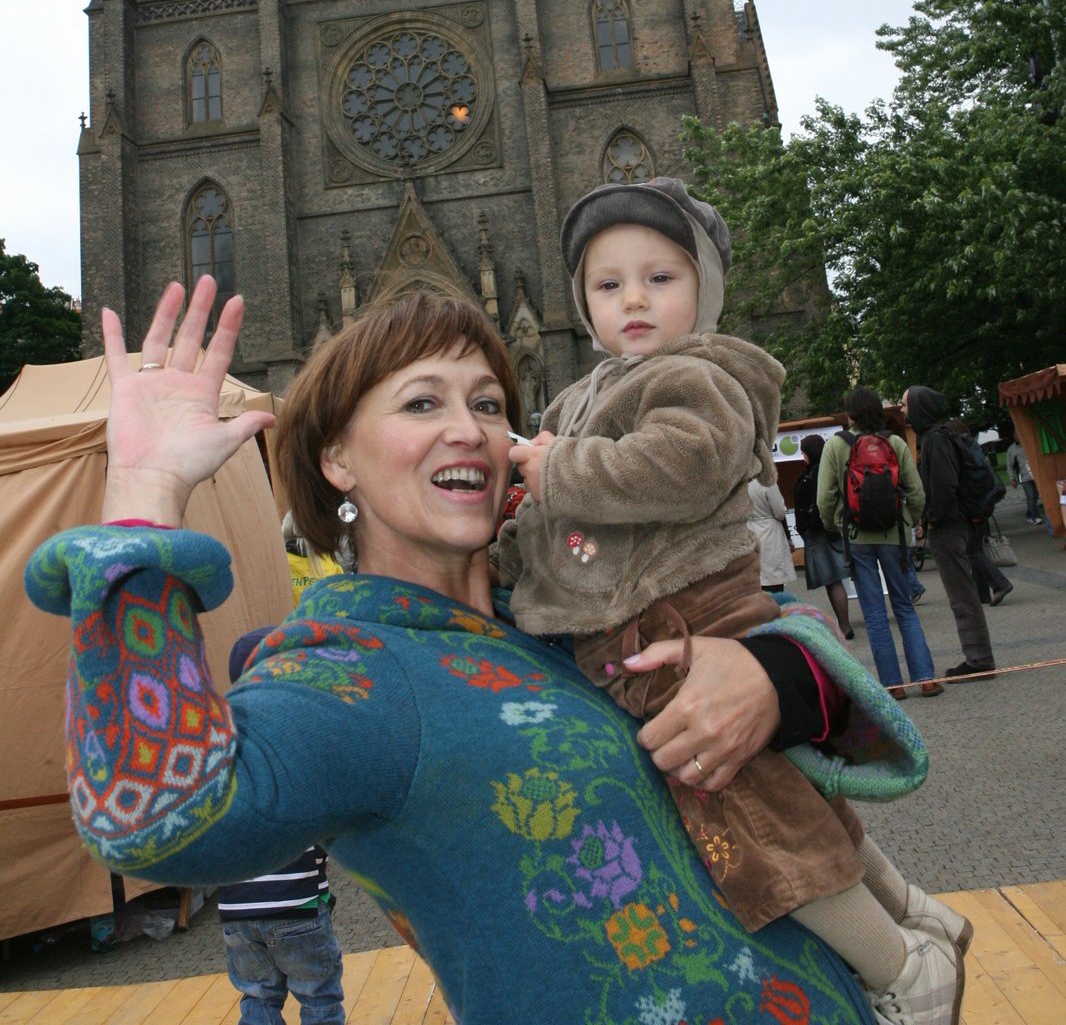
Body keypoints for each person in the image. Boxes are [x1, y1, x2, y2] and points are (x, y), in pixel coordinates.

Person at [26, 276, 924, 1025]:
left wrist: (768, 677)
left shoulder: (560, 607)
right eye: (423, 402)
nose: (471, 429)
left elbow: (833, 694)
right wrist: (144, 493)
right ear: (337, 458)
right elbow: (149, 817)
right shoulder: (352, 670)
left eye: (489, 404)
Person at [497, 179, 966, 1023]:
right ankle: (913, 912)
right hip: (648, 628)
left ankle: (903, 972)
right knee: (789, 795)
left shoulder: (696, 377)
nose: (633, 299)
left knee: (750, 829)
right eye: (608, 286)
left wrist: (556, 469)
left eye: (661, 279)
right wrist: (518, 530)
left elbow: (680, 466)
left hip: (685, 624)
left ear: (705, 293)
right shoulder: (580, 397)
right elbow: (558, 519)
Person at [216, 629, 346, 1025]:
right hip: (297, 905)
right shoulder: (298, 739)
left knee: (257, 998)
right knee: (319, 999)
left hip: (236, 909)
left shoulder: (220, 742)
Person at [817, 387, 942, 701]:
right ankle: (926, 679)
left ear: (851, 415)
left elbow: (825, 498)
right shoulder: (895, 443)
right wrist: (908, 522)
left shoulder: (837, 446)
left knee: (873, 614)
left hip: (857, 538)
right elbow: (916, 492)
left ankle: (892, 685)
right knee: (904, 607)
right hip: (893, 536)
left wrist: (836, 525)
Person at [902, 386, 997, 681]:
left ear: (919, 408)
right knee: (964, 593)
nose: (902, 409)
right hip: (961, 523)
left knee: (961, 595)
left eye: (905, 404)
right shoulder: (942, 435)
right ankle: (979, 655)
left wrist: (931, 519)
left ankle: (979, 659)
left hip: (949, 527)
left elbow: (943, 486)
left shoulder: (934, 440)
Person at [944, 422, 1012, 608]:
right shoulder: (972, 447)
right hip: (983, 503)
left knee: (972, 551)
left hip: (970, 506)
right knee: (976, 548)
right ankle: (982, 593)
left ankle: (1000, 583)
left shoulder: (958, 450)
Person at [793, 434, 854, 638]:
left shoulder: (815, 472)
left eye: (803, 451)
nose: (802, 456)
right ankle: (843, 624)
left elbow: (821, 501)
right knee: (834, 579)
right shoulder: (825, 469)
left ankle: (844, 626)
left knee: (832, 580)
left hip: (821, 532)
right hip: (828, 530)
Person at [747, 475, 796, 592]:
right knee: (774, 580)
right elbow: (780, 511)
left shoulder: (737, 481)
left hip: (749, 531)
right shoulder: (766, 481)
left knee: (757, 581)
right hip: (770, 533)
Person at [1007, 433, 1044, 525]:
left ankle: (1029, 513)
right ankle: (1035, 516)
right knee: (1031, 495)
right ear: (1014, 436)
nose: (1019, 436)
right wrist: (1012, 479)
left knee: (1034, 496)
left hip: (1035, 474)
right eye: (1017, 434)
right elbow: (1010, 465)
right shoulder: (1011, 450)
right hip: (1023, 476)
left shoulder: (1030, 444)